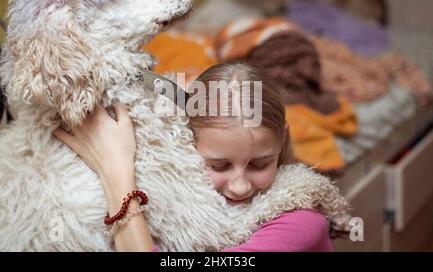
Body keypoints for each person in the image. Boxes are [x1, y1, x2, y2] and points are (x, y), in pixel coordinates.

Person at [54, 62, 334, 252]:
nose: (240, 186)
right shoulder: (177, 196)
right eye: (218, 165)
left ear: (282, 138)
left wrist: (114, 168)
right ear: (186, 141)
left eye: (260, 164)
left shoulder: (302, 221)